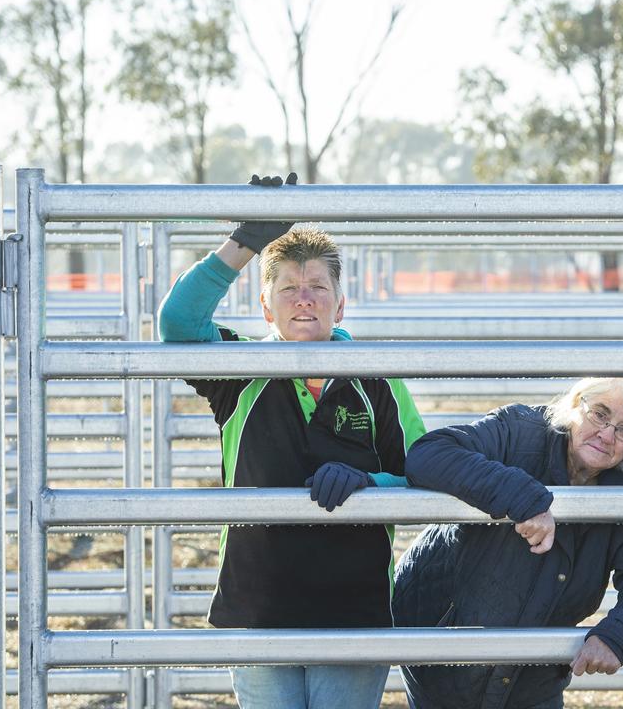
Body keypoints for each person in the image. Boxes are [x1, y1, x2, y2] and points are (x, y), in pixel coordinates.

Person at [158, 173, 426, 709]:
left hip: (352, 606)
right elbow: (178, 325)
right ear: (266, 307)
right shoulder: (241, 372)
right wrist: (245, 243)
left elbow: (422, 470)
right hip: (259, 604)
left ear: (340, 305)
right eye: (288, 288)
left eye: (318, 288)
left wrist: (370, 483)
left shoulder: (378, 378)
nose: (304, 300)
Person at [392, 377, 623, 709]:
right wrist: (521, 496)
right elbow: (428, 454)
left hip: (535, 666)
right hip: (447, 633)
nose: (607, 434)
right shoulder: (520, 430)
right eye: (600, 414)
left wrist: (617, 635)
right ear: (576, 406)